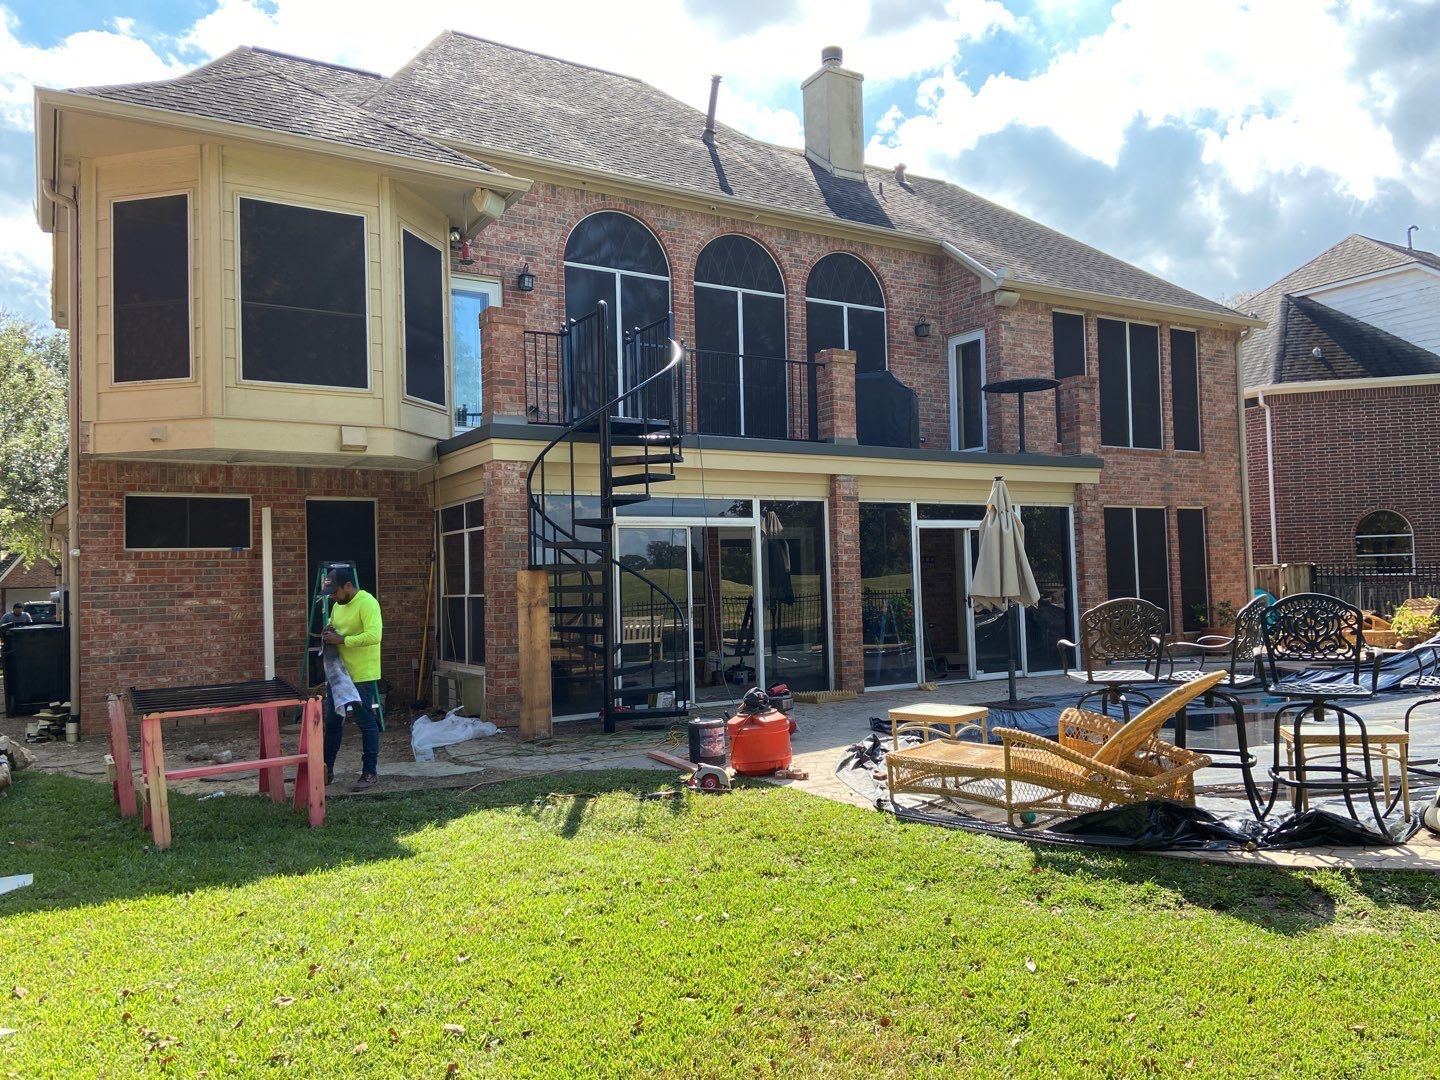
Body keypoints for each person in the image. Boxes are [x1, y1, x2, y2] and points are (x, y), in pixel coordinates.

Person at [319, 565, 383, 791]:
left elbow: (375, 635)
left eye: (336, 592)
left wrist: (343, 640)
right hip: (339, 674)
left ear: (348, 586)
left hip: (361, 674)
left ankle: (369, 772)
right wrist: (329, 631)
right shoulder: (338, 606)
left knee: (366, 723)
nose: (334, 598)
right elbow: (337, 628)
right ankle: (325, 771)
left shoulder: (367, 603)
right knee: (333, 722)